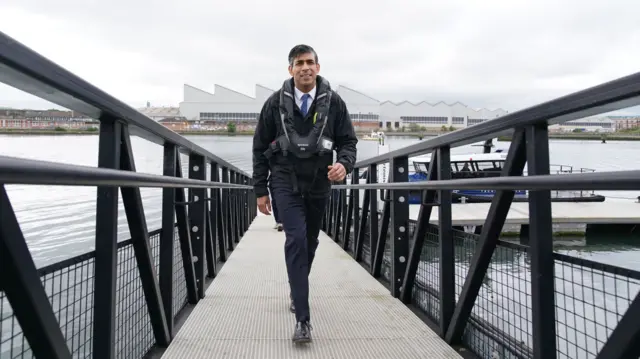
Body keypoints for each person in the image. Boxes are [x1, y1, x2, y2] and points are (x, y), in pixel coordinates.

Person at [252, 44, 358, 343]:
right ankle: (303, 319)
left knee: (310, 241)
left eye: (310, 62)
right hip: (284, 180)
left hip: (319, 182)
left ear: (318, 67)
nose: (305, 68)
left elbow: (348, 141)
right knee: (295, 238)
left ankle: (296, 288)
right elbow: (259, 147)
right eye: (299, 63)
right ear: (290, 70)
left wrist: (344, 164)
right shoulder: (274, 103)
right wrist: (261, 189)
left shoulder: (334, 103)